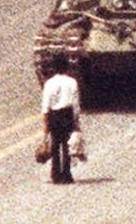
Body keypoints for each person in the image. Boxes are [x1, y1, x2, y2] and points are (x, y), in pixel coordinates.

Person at [40, 56, 81, 184]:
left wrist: (45, 121)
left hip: (54, 114)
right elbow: (75, 103)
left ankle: (55, 174)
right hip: (67, 114)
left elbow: (45, 104)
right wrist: (76, 120)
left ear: (54, 68)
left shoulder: (49, 83)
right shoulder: (72, 82)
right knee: (67, 145)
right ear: (67, 67)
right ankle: (67, 174)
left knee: (55, 145)